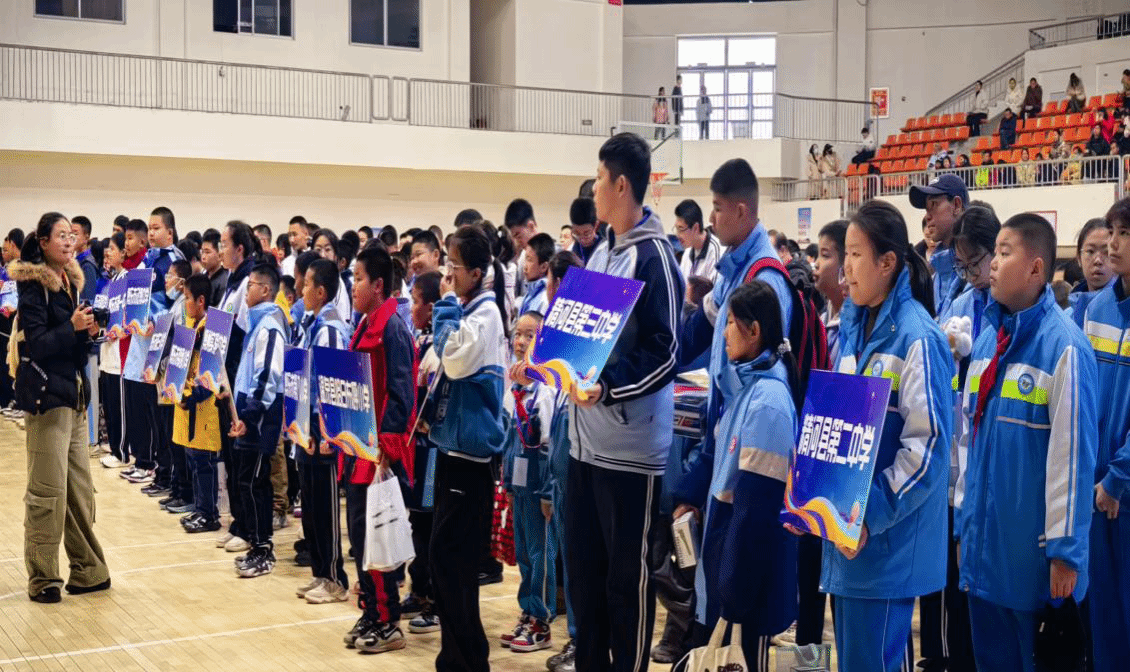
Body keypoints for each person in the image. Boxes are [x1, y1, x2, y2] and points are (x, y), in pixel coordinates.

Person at [954, 213, 1097, 672]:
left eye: (1004, 252)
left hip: (1034, 569)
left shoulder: (1065, 348)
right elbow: (967, 445)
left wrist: (1065, 554)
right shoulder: (985, 345)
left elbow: (1072, 461)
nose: (992, 264)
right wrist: (962, 526)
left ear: (1036, 268)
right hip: (984, 559)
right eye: (994, 252)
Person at [815, 200, 953, 672]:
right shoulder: (853, 328)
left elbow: (927, 449)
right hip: (847, 539)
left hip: (884, 543)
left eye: (855, 255)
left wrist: (868, 516)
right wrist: (811, 494)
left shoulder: (918, 338)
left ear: (887, 262)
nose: (845, 268)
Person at [568, 132, 683, 672]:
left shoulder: (654, 257)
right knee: (585, 579)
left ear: (620, 184)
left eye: (597, 178)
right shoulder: (600, 252)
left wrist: (609, 387)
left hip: (629, 452)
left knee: (625, 584)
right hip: (583, 445)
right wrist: (549, 362)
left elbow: (666, 352)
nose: (592, 188)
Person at [692, 281, 803, 672]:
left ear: (754, 331)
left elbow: (755, 512)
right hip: (728, 570)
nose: (723, 333)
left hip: (745, 583)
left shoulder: (768, 403)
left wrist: (733, 594)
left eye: (730, 323)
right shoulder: (747, 388)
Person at [12, 212, 110, 603]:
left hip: (74, 395)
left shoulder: (71, 280)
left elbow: (73, 345)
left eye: (72, 235)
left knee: (79, 490)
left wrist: (89, 332)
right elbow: (37, 344)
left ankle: (88, 569)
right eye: (61, 235)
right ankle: (43, 578)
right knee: (47, 492)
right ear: (43, 242)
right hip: (47, 397)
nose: (69, 241)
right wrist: (72, 327)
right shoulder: (33, 285)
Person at [428, 224, 509, 672]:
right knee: (445, 563)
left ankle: (470, 660)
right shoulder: (469, 309)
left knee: (452, 563)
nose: (448, 274)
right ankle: (456, 658)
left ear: (476, 273)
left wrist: (443, 306)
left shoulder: (486, 314)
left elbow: (455, 360)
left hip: (471, 459)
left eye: (454, 266)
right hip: (451, 451)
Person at [928, 206, 1000, 672]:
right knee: (954, 588)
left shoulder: (1006, 312)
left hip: (987, 469)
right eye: (962, 265)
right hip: (955, 467)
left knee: (984, 594)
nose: (971, 274)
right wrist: (948, 349)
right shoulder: (959, 305)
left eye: (976, 263)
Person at [1081, 198, 1130, 672]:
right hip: (1095, 491)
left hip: (1122, 489)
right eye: (1112, 231)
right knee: (1104, 621)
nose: (1112, 245)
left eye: (1124, 234)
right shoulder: (1096, 308)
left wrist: (1118, 478)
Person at [499, 310, 563, 654]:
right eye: (518, 334)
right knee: (524, 552)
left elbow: (551, 444)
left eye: (530, 335)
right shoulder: (514, 390)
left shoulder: (547, 390)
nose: (521, 342)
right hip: (519, 485)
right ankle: (527, 611)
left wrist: (549, 492)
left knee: (542, 555)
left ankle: (542, 621)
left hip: (540, 487)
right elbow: (511, 441)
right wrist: (508, 484)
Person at [293, 259, 351, 604]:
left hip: (322, 424)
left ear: (321, 291)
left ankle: (335, 578)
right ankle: (319, 572)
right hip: (305, 420)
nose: (301, 290)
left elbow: (333, 383)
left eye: (306, 285)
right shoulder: (310, 324)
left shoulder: (330, 329)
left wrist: (329, 431)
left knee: (325, 505)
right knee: (311, 503)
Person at [228, 264, 287, 578]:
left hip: (261, 417)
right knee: (246, 481)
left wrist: (249, 417)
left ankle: (264, 548)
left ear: (265, 290)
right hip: (248, 414)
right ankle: (255, 544)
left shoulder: (270, 327)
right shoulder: (256, 324)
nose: (245, 292)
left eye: (249, 285)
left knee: (256, 483)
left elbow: (267, 377)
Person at [541, 251, 584, 671]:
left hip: (577, 454)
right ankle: (577, 637)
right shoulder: (555, 332)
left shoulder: (582, 336)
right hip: (558, 452)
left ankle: (583, 640)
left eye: (552, 282)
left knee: (579, 557)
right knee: (569, 555)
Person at [400, 270, 443, 636]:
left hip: (433, 449)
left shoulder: (440, 346)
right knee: (417, 521)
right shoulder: (418, 339)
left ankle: (435, 602)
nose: (410, 308)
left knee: (431, 524)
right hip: (416, 445)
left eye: (415, 301)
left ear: (431, 307)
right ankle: (418, 589)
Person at [174, 274, 223, 534]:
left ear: (201, 300)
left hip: (205, 406)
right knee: (193, 458)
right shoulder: (192, 326)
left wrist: (192, 397)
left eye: (187, 298)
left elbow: (210, 373)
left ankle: (209, 514)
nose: (185, 304)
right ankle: (200, 508)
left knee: (204, 462)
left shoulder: (211, 329)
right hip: (190, 403)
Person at [910, 173, 967, 319]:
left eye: (934, 205)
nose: (927, 216)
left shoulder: (979, 274)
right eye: (926, 209)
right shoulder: (935, 273)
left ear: (956, 205)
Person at [98, 233, 130, 469]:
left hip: (120, 352)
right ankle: (114, 447)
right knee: (109, 404)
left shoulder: (128, 279)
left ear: (123, 253)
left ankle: (122, 452)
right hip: (106, 348)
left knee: (119, 407)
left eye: (112, 248)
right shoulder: (111, 280)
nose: (107, 253)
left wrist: (119, 329)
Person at [1066, 218, 1115, 327]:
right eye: (1090, 251)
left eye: (1106, 252)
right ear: (1079, 258)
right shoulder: (1067, 317)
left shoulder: (1124, 311)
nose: (1098, 260)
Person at [674, 199, 721, 284]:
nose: (678, 235)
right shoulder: (687, 253)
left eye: (681, 229)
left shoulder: (716, 252)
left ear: (695, 228)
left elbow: (715, 291)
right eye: (676, 229)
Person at [312, 228, 352, 324]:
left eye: (327, 250)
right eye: (318, 250)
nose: (323, 255)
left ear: (335, 255)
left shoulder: (336, 284)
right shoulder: (313, 280)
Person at [505, 198, 539, 298]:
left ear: (531, 226)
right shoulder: (522, 257)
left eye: (518, 236)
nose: (517, 242)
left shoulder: (555, 253)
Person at [519, 233, 554, 316]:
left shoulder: (544, 298)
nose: (525, 266)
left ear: (544, 267)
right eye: (525, 258)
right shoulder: (531, 292)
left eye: (529, 260)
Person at [568, 197, 603, 266]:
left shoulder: (604, 248)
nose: (582, 240)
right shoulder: (575, 248)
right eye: (577, 234)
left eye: (587, 234)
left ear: (596, 225)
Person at [200, 230, 228, 309]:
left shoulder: (224, 282)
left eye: (207, 252)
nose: (203, 257)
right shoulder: (202, 277)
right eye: (202, 252)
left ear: (219, 255)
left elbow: (221, 313)